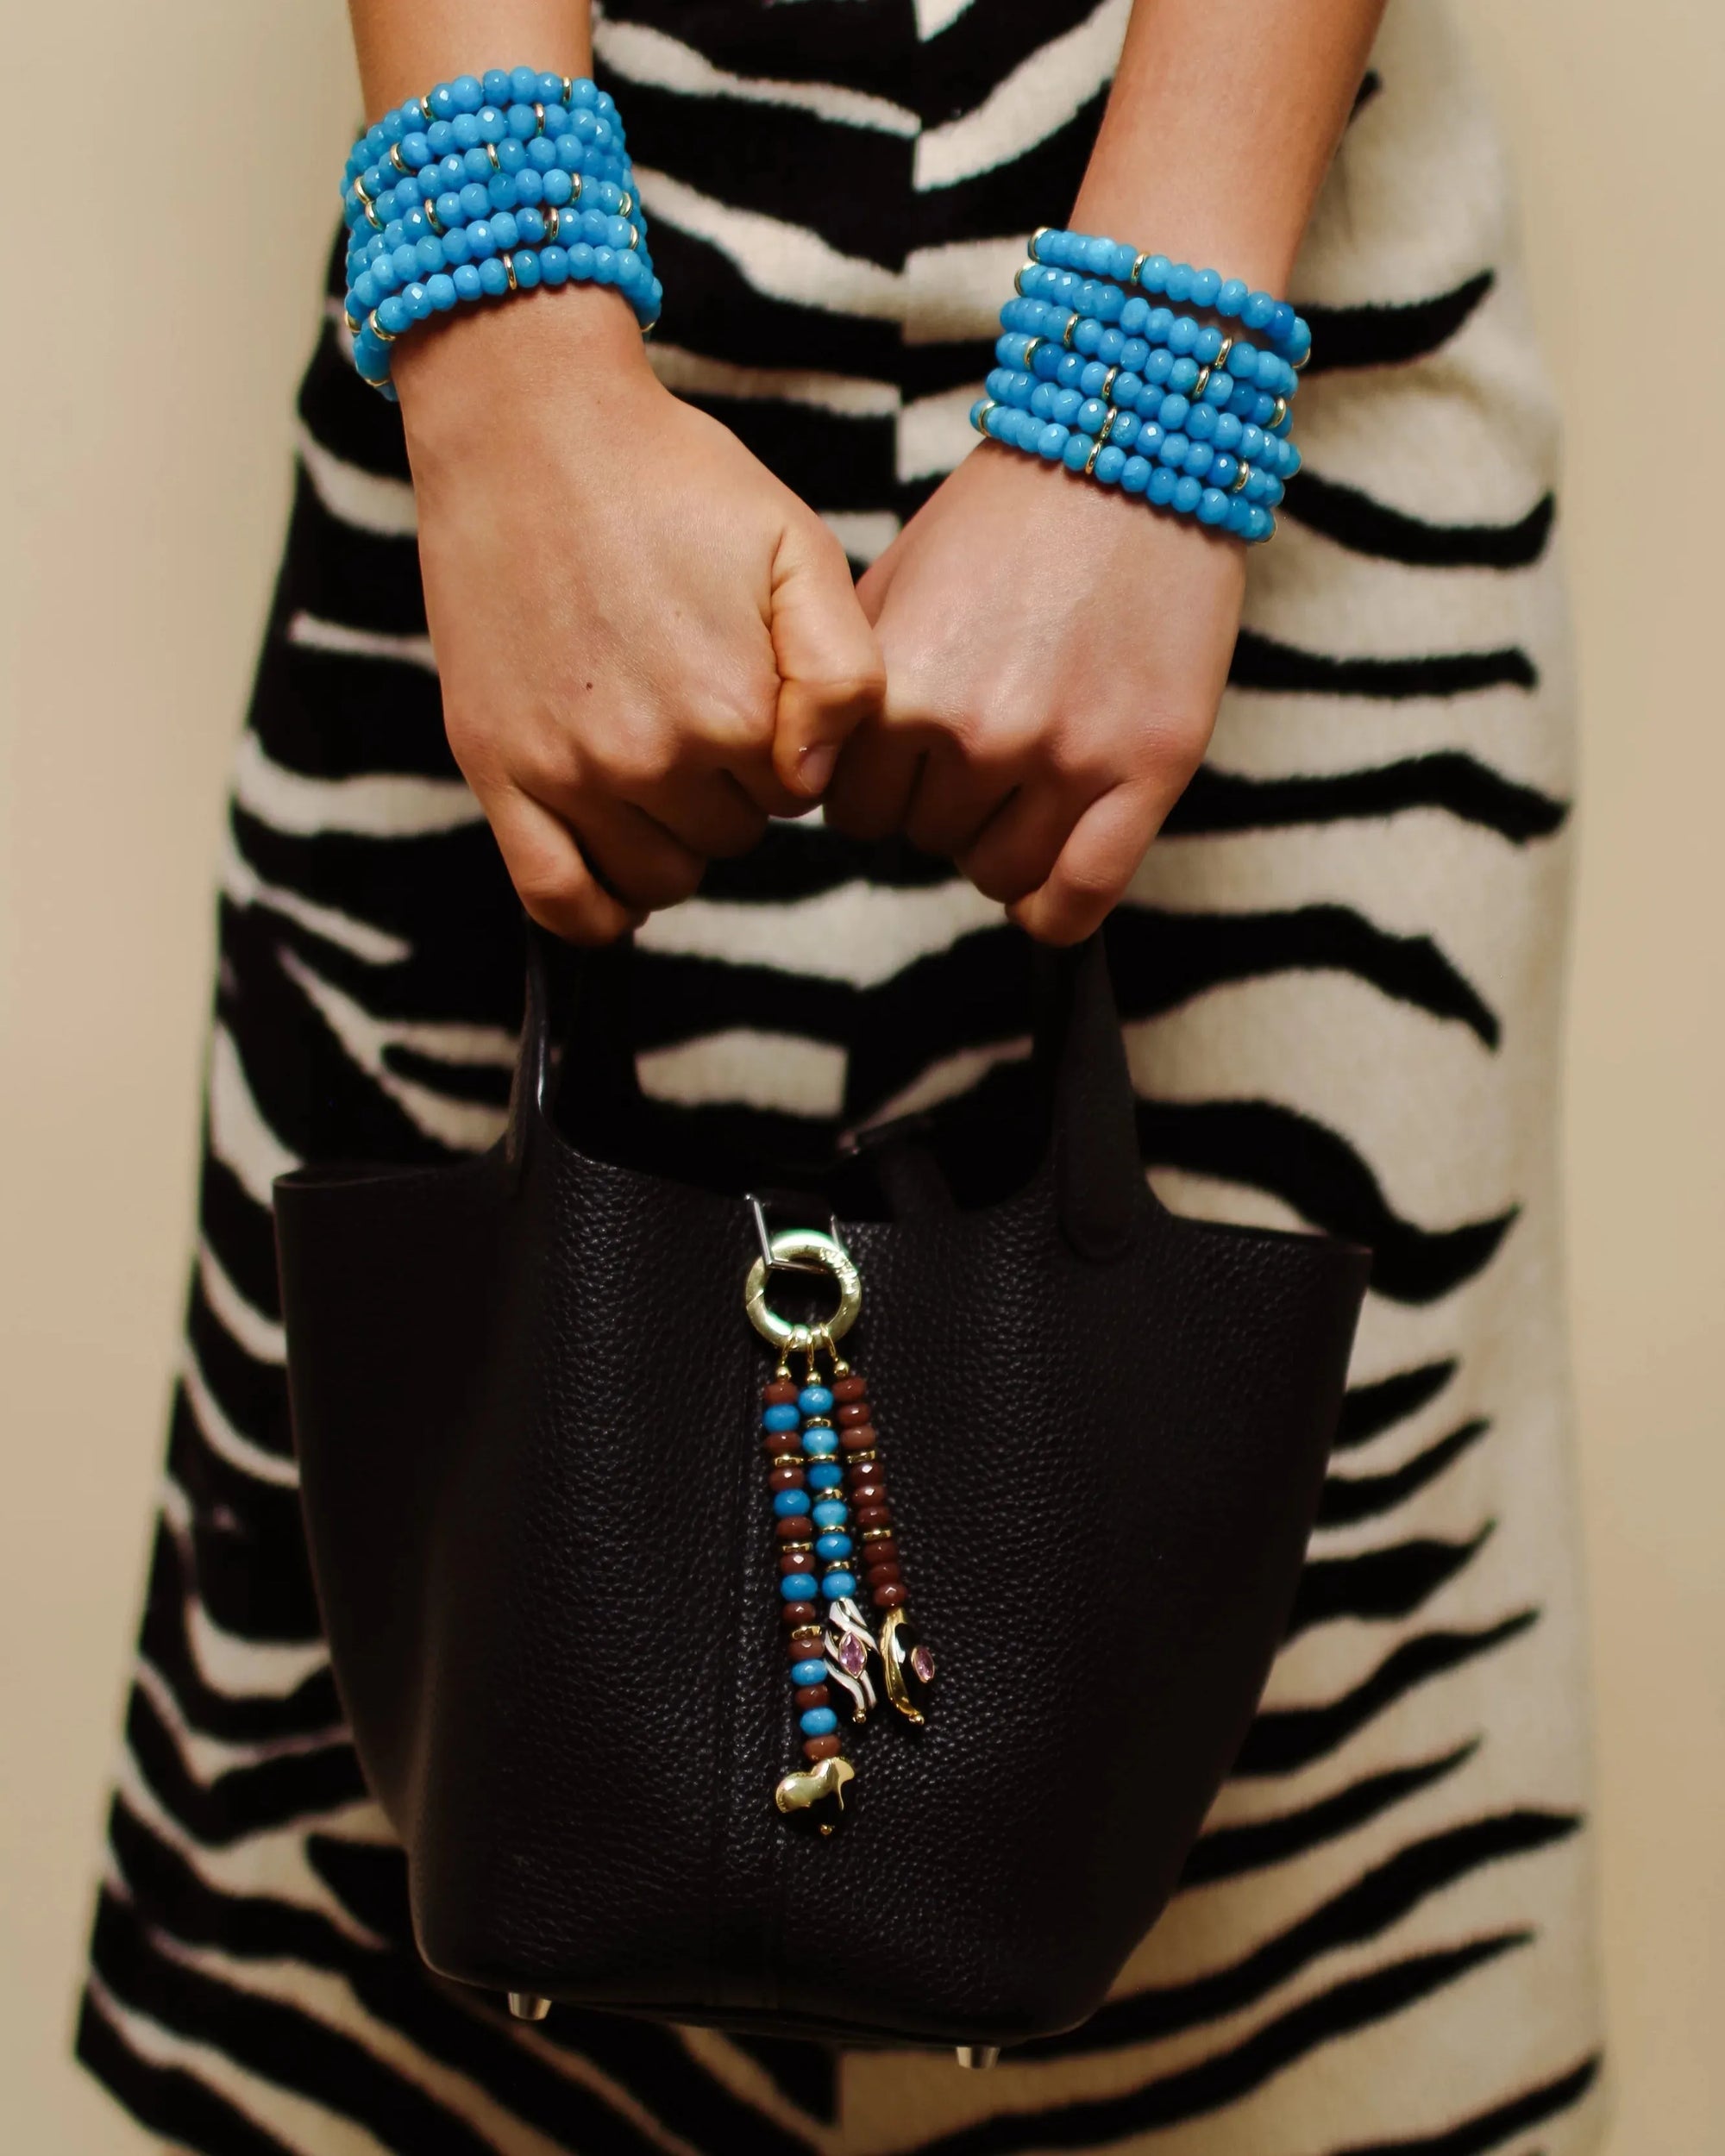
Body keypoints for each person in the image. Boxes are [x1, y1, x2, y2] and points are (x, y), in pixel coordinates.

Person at [76, 0, 1605, 2147]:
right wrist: (506, 332)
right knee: (402, 1913)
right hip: (547, 260)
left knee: (1297, 1931)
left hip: (1243, 274)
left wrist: (1150, 364)